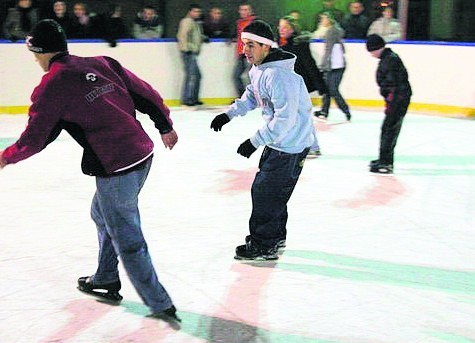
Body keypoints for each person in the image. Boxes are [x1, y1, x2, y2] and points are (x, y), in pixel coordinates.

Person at [0, 19, 180, 322]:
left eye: (34, 53)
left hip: (117, 165)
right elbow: (146, 93)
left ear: (40, 51)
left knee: (127, 236)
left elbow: (36, 137)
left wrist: (6, 157)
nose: (35, 60)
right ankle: (106, 277)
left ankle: (160, 303)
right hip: (142, 153)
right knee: (102, 213)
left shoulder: (52, 85)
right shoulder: (101, 62)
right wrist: (165, 126)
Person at [210, 19, 314, 261]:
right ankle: (274, 237)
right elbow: (252, 95)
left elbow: (284, 119)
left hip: (289, 144)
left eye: (251, 45)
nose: (245, 50)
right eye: (244, 44)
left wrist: (254, 141)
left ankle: (263, 245)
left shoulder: (279, 76)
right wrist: (229, 114)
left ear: (266, 47)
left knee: (265, 193)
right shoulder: (260, 69)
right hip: (281, 142)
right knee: (272, 192)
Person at [279, 15, 325, 158]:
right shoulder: (285, 45)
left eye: (285, 27)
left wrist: (321, 86)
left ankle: (313, 146)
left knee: (300, 117)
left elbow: (310, 65)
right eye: (280, 27)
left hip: (299, 87)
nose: (281, 30)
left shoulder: (298, 45)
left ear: (292, 29)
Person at [365, 34, 411, 175]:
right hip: (396, 99)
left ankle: (386, 162)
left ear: (377, 48)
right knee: (388, 129)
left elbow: (393, 84)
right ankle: (384, 159)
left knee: (389, 129)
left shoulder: (390, 60)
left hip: (397, 99)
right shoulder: (387, 58)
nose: (371, 54)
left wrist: (391, 101)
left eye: (371, 51)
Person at [314, 11, 351, 122]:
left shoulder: (332, 31)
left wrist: (323, 65)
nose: (322, 21)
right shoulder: (334, 30)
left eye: (323, 19)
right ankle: (324, 111)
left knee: (333, 90)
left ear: (329, 19)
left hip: (336, 65)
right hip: (335, 65)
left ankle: (346, 110)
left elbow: (328, 50)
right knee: (327, 89)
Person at [177, 4, 206, 108]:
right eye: (195, 11)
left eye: (198, 12)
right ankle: (187, 99)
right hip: (188, 52)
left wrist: (203, 37)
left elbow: (194, 35)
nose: (197, 13)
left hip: (192, 52)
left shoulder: (194, 22)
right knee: (191, 76)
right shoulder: (187, 21)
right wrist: (186, 49)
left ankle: (193, 98)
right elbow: (182, 36)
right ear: (190, 12)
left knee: (197, 75)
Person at [233, 3, 256, 97]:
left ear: (250, 11)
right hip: (241, 53)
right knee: (236, 76)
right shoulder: (239, 23)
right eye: (242, 10)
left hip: (251, 53)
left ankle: (255, 98)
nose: (243, 12)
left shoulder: (255, 22)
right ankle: (244, 98)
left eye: (246, 10)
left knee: (250, 77)